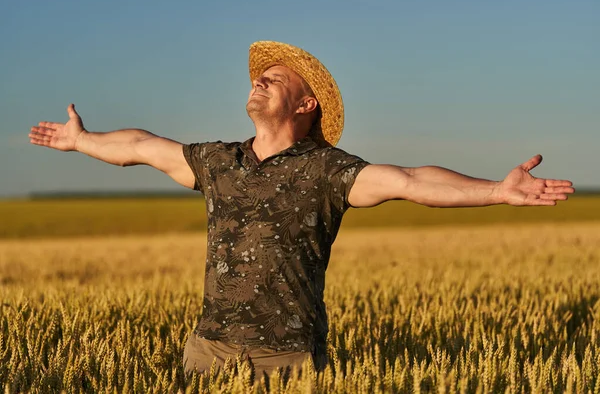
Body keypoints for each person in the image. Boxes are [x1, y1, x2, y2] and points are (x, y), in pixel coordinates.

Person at [28, 41, 574, 380]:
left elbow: (411, 180)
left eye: (276, 78)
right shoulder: (218, 161)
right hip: (208, 353)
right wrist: (84, 141)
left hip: (287, 362)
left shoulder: (330, 171)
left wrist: (496, 191)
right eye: (258, 76)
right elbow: (143, 147)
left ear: (306, 104)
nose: (258, 80)